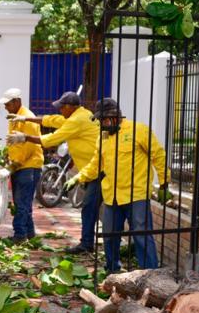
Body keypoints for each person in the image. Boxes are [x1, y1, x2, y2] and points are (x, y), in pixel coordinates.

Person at [69, 98, 169, 272]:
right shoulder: (103, 138)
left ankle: (151, 273)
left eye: (104, 120)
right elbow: (96, 164)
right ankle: (112, 270)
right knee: (109, 235)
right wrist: (78, 177)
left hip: (136, 194)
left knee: (141, 235)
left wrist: (164, 183)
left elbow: (158, 156)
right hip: (112, 196)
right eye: (100, 121)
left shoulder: (139, 131)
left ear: (115, 116)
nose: (102, 124)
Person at [7, 91, 101, 254]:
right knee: (90, 208)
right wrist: (25, 118)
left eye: (62, 107)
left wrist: (25, 137)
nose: (60, 111)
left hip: (97, 170)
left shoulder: (77, 120)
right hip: (91, 170)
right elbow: (52, 120)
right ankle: (88, 242)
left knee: (89, 208)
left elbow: (52, 139)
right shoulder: (80, 114)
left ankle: (87, 244)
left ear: (71, 107)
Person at [0, 88, 42, 242]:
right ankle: (29, 233)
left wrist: (15, 164)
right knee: (23, 202)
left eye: (8, 104)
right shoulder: (15, 118)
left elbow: (29, 146)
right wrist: (7, 155)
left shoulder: (28, 118)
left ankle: (19, 235)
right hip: (21, 166)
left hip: (28, 166)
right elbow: (13, 142)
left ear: (17, 102)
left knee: (21, 203)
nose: (6, 108)